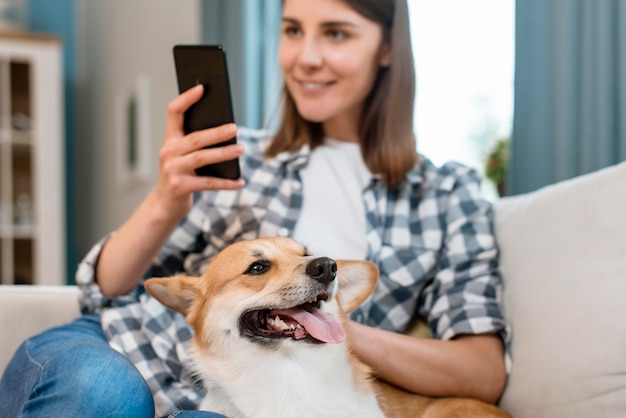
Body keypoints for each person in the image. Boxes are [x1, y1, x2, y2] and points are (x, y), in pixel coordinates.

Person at [0, 0, 510, 416]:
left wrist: (319, 318)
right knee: (104, 393)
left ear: (387, 47)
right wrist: (166, 200)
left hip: (233, 403)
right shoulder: (237, 152)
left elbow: (483, 373)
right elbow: (99, 292)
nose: (306, 57)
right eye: (292, 30)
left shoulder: (446, 196)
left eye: (336, 33)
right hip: (115, 348)